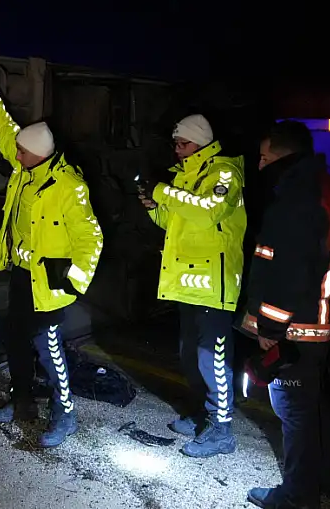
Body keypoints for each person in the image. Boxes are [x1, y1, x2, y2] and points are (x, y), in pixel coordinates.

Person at [0, 64, 105, 448]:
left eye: (21, 150)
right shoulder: (26, 165)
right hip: (22, 274)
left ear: (38, 154)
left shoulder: (68, 185)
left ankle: (65, 415)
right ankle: (21, 405)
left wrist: (74, 280)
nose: (13, 152)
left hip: (50, 282)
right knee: (15, 341)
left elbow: (91, 236)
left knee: (47, 347)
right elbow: (4, 129)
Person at [240, 121, 330, 509]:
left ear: (283, 156)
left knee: (294, 411)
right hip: (322, 319)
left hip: (298, 327)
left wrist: (270, 327)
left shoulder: (298, 198)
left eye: (263, 157)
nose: (258, 166)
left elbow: (290, 270)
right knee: (314, 405)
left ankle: (298, 496)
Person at [140, 114, 247, 457]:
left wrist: (162, 191)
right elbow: (174, 223)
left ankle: (222, 430)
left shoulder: (224, 173)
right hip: (187, 281)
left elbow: (207, 213)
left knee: (211, 358)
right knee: (189, 355)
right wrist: (155, 206)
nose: (177, 150)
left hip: (213, 283)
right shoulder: (184, 176)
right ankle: (203, 414)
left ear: (201, 141)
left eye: (183, 143)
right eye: (175, 143)